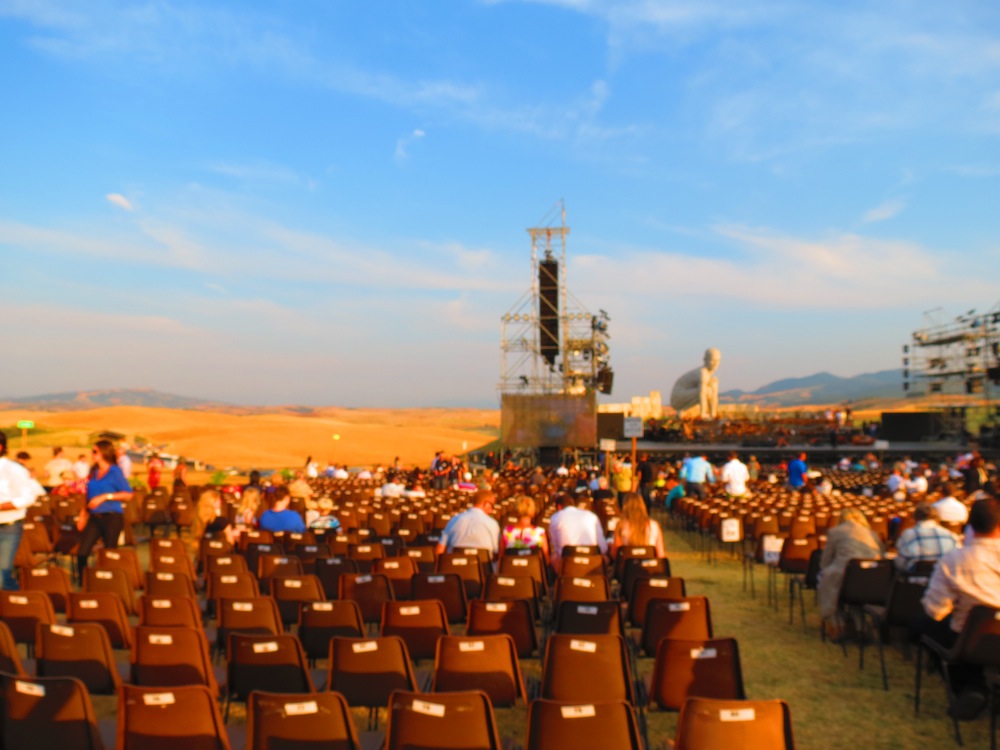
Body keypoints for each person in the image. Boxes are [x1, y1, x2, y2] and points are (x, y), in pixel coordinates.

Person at [915, 498, 1000, 719]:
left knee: (925, 625)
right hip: (986, 635)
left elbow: (935, 610)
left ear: (970, 525)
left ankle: (970, 687)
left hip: (970, 642)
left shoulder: (954, 560)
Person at [817, 507, 885, 639]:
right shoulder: (873, 534)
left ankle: (837, 625)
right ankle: (860, 626)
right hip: (872, 582)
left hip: (845, 580)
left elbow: (824, 562)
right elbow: (881, 556)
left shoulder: (835, 532)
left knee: (827, 579)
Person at [77, 440, 134, 584]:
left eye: (95, 451)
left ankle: (109, 582)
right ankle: (85, 582)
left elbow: (128, 494)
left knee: (109, 553)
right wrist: (83, 514)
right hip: (94, 518)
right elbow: (87, 495)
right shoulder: (93, 472)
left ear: (104, 453)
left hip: (112, 517)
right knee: (82, 552)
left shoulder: (115, 471)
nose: (91, 454)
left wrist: (105, 496)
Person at [0, 432, 33, 590]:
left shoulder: (14, 470)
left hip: (8, 527)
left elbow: (27, 497)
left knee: (2, 573)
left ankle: (17, 603)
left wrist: (3, 506)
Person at [547, 492, 608, 573]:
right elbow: (603, 547)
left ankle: (560, 582)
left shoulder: (555, 517)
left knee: (553, 557)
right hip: (592, 561)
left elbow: (556, 548)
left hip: (568, 564)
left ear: (559, 507)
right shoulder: (591, 516)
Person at [894, 503, 960, 572]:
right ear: (937, 518)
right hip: (942, 580)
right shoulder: (951, 535)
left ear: (915, 518)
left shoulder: (909, 535)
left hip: (916, 580)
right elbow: (957, 561)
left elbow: (900, 564)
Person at [435, 489, 500, 558]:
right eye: (492, 506)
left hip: (454, 567)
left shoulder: (454, 520)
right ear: (486, 504)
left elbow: (440, 548)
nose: (491, 510)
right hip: (483, 567)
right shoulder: (492, 524)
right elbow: (496, 551)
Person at [670, 347, 722, 419]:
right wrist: (703, 415)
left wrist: (714, 415)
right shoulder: (702, 373)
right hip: (677, 399)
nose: (715, 364)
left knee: (713, 384)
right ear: (705, 360)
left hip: (686, 395)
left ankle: (712, 414)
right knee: (707, 391)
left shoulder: (710, 376)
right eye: (712, 360)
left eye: (718, 361)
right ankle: (697, 413)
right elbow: (702, 394)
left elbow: (714, 395)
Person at [611, 493, 665, 559]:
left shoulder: (621, 525)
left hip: (627, 567)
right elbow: (661, 554)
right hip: (648, 567)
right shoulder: (654, 525)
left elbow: (615, 553)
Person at [500, 495, 549, 564]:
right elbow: (546, 560)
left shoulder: (507, 532)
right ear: (533, 512)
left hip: (511, 572)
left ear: (515, 511)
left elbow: (501, 559)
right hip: (534, 572)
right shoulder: (540, 533)